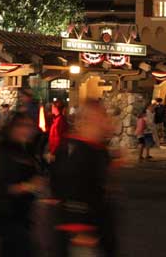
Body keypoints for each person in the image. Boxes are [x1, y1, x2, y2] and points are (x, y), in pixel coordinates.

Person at [50, 100, 117, 257]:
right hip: (80, 234)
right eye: (100, 117)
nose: (105, 121)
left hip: (96, 226)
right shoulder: (74, 150)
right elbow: (67, 189)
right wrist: (78, 229)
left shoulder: (97, 149)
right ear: (86, 120)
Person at [0, 113, 43, 257]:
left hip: (21, 214)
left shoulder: (24, 148)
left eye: (29, 126)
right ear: (12, 128)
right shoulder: (6, 150)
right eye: (22, 126)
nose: (26, 130)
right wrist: (31, 186)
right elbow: (4, 187)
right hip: (7, 213)